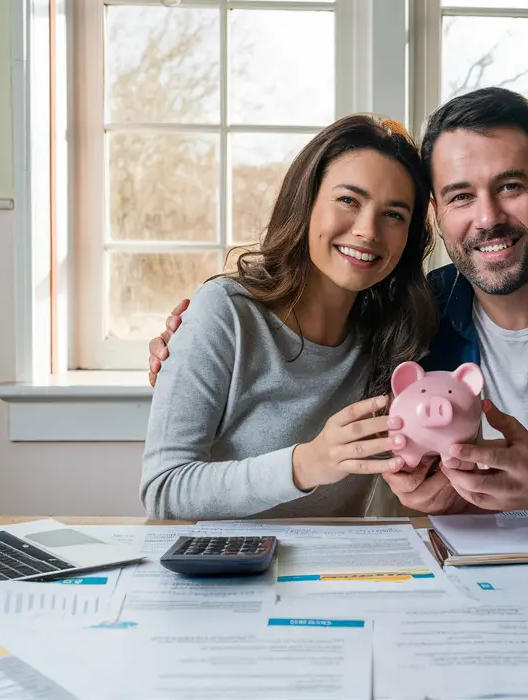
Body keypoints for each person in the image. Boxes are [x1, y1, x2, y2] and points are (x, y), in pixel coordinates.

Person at [149, 88, 528, 526]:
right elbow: (170, 480)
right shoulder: (415, 320)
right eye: (461, 196)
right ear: (440, 215)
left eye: (511, 186)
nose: (487, 217)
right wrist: (433, 495)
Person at [139, 114, 437, 520]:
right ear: (307, 202)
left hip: (338, 574)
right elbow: (164, 489)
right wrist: (305, 464)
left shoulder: (395, 336)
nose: (368, 230)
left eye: (394, 215)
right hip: (225, 574)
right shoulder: (224, 312)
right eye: (349, 200)